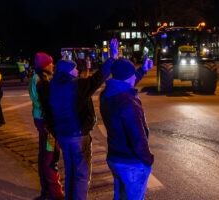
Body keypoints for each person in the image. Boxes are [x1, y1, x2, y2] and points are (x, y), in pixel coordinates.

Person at [48, 39, 118, 200]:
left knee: (71, 172)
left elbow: (50, 112)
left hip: (63, 136)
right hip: (78, 135)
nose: (77, 71)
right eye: (74, 69)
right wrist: (112, 57)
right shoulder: (76, 85)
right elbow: (97, 79)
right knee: (81, 175)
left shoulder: (54, 85)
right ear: (68, 71)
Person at [100, 56, 154, 200]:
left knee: (120, 197)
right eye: (133, 75)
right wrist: (147, 160)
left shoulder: (108, 94)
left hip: (115, 158)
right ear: (128, 77)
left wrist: (143, 70)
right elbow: (138, 138)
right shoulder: (128, 103)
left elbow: (127, 82)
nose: (134, 78)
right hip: (131, 163)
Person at [29, 53, 63, 200]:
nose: (52, 65)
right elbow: (49, 105)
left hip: (40, 120)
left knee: (44, 155)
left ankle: (46, 190)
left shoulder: (36, 78)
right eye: (50, 63)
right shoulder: (42, 81)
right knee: (51, 157)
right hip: (47, 123)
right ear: (44, 65)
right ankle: (55, 193)